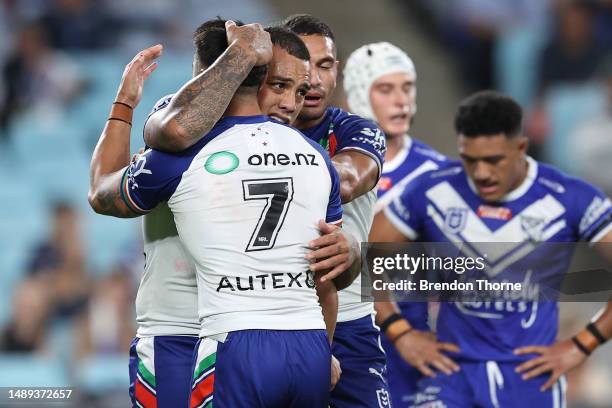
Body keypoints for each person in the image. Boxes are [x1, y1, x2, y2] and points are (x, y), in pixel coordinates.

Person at [89, 19, 357, 407]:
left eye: (299, 91)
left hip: (234, 334)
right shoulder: (180, 129)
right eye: (279, 85)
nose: (289, 103)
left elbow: (329, 277)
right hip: (179, 329)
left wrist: (352, 249)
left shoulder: (304, 151)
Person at [370, 90, 612, 407]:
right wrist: (398, 330)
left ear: (521, 147)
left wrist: (582, 344)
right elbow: (362, 255)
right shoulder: (433, 190)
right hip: (450, 376)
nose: (481, 173)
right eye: (470, 160)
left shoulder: (570, 197)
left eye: (493, 160)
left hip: (530, 381)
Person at [282, 14, 391, 408]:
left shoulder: (358, 131)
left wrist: (262, 159)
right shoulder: (249, 131)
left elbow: (345, 181)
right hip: (273, 320)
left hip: (349, 324)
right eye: (301, 66)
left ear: (337, 71)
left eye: (324, 65)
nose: (313, 79)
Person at [343, 41, 449, 407]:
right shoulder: (331, 164)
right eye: (385, 89)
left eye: (407, 88)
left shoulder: (439, 173)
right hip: (345, 337)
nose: (401, 101)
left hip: (414, 339)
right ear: (359, 94)